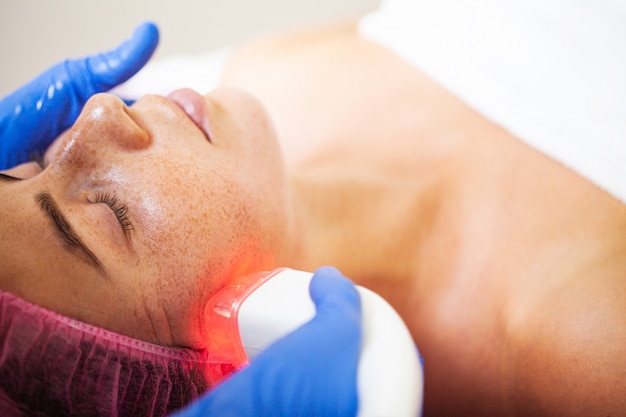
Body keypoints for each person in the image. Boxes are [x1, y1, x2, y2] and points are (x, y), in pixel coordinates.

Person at [2, 0, 626, 415]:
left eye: (27, 166)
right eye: (106, 212)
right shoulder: (583, 344)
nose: (100, 114)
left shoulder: (228, 89)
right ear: (228, 354)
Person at [0, 23, 364, 417]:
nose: (101, 110)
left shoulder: (268, 65)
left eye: (35, 163)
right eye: (108, 209)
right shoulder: (412, 384)